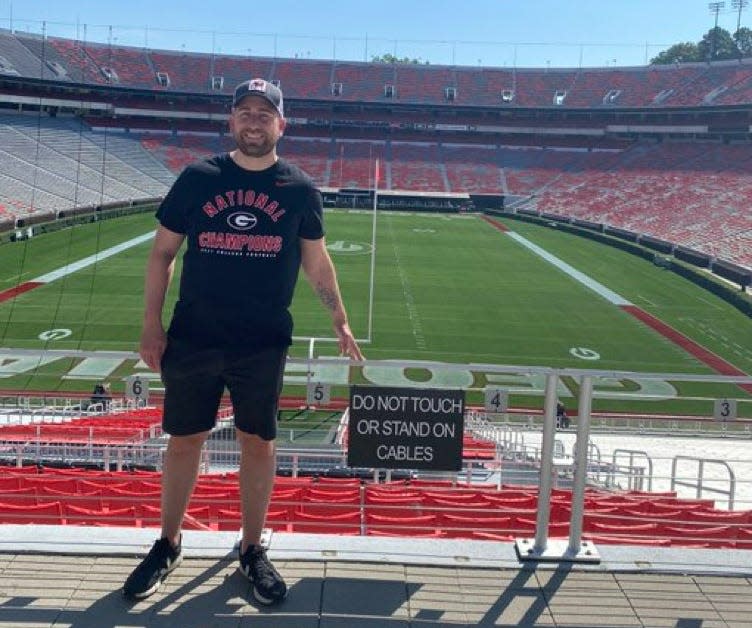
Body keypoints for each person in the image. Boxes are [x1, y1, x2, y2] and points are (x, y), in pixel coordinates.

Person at [123, 78, 363, 605]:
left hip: (262, 340)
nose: (254, 121)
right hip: (195, 335)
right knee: (185, 440)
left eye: (265, 113)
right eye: (245, 112)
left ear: (282, 124)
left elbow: (317, 262)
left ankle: (252, 549)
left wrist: (341, 322)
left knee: (259, 443)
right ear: (231, 121)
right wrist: (150, 322)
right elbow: (161, 253)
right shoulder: (198, 178)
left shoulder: (299, 188)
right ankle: (167, 542)